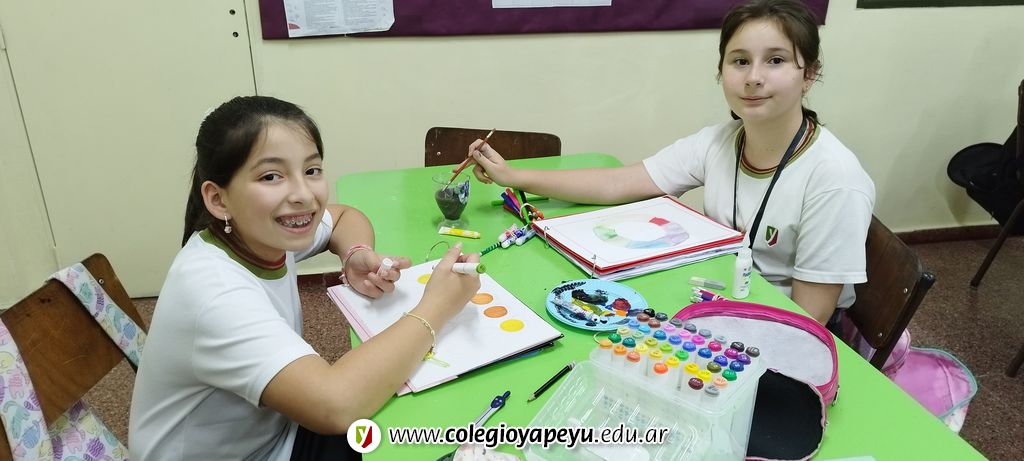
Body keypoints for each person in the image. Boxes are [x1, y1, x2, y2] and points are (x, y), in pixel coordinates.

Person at [463, 0, 874, 327]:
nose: (753, 77)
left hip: (776, 327)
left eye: (776, 60)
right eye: (740, 61)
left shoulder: (834, 179)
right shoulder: (720, 141)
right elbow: (618, 183)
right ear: (721, 71)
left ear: (809, 74)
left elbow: (809, 321)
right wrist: (512, 175)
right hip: (717, 297)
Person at [129, 96, 481, 460]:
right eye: (271, 176)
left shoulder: (260, 233)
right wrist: (438, 306)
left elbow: (344, 217)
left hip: (275, 432)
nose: (303, 195)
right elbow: (335, 405)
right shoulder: (214, 292)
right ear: (218, 200)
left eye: (311, 170)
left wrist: (355, 254)